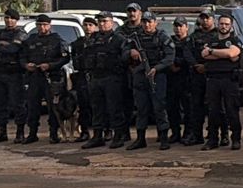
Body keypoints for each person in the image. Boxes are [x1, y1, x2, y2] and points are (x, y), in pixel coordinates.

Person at [79, 12, 131, 149]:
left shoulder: (118, 39)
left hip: (112, 78)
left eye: (105, 21)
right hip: (95, 77)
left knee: (115, 108)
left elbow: (125, 58)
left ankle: (118, 136)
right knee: (96, 108)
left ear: (112, 23)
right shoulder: (92, 38)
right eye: (100, 21)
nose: (102, 24)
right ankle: (97, 136)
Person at [126, 11, 174, 150]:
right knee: (141, 108)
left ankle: (163, 138)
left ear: (155, 23)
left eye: (149, 22)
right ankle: (140, 139)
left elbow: (170, 57)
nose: (147, 25)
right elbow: (123, 52)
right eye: (144, 22)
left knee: (159, 107)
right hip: (140, 76)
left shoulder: (162, 37)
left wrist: (156, 68)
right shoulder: (135, 37)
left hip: (157, 76)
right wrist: (131, 53)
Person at [19, 14, 69, 144]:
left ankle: (54, 133)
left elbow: (65, 58)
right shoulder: (31, 40)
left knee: (53, 107)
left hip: (51, 77)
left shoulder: (57, 40)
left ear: (49, 25)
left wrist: (50, 65)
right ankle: (32, 133)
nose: (42, 27)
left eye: (45, 25)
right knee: (32, 106)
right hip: (34, 77)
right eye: (39, 25)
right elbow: (22, 56)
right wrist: (26, 65)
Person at [200, 14, 243, 150]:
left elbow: (232, 54)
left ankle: (236, 139)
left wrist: (213, 51)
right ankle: (213, 140)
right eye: (221, 24)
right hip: (213, 79)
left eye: (226, 24)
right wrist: (223, 54)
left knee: (232, 110)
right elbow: (204, 55)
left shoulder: (235, 40)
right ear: (217, 24)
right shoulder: (211, 40)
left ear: (231, 26)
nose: (224, 26)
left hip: (229, 80)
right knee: (213, 111)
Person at [0, 9, 27, 143]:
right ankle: (1, 132)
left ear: (17, 20)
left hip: (15, 73)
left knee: (17, 104)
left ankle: (20, 133)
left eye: (12, 18)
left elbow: (12, 49)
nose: (9, 20)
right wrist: (0, 43)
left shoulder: (21, 34)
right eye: (7, 18)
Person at [184, 10, 220, 147]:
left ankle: (216, 135)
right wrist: (195, 65)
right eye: (203, 18)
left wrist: (207, 66)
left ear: (213, 19)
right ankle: (197, 135)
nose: (205, 21)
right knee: (196, 106)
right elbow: (187, 52)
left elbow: (221, 53)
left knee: (215, 106)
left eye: (207, 18)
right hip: (197, 74)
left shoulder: (218, 35)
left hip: (213, 74)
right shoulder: (194, 36)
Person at [166, 18, 194, 145]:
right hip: (172, 79)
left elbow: (193, 57)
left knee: (188, 108)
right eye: (176, 26)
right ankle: (175, 133)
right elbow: (164, 54)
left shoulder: (191, 41)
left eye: (181, 26)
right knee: (172, 108)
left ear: (186, 27)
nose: (178, 29)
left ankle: (188, 133)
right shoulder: (169, 41)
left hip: (187, 78)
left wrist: (180, 64)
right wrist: (171, 64)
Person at [72, 15, 97, 142]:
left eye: (90, 25)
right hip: (82, 76)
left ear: (95, 27)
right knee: (83, 105)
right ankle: (85, 132)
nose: (88, 27)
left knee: (99, 105)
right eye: (85, 25)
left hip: (96, 75)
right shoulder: (78, 43)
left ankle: (105, 131)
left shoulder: (99, 41)